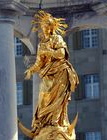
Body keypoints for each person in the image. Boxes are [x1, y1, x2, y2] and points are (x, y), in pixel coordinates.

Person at [20, 10, 79, 140]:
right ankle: (44, 124)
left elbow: (62, 54)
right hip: (47, 74)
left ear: (52, 27)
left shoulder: (57, 38)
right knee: (43, 99)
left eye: (47, 26)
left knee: (58, 100)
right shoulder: (41, 44)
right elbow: (39, 62)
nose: (45, 28)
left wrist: (49, 51)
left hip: (60, 72)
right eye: (43, 26)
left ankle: (56, 122)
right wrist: (31, 70)